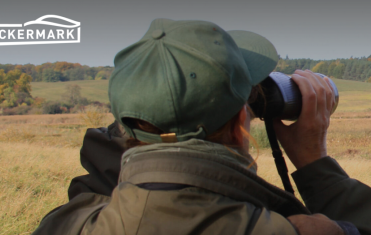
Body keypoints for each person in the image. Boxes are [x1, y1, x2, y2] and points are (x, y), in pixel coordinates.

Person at [32, 19, 370, 235]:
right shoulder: (303, 231)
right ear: (242, 122)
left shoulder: (69, 224)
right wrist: (316, 166)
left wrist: (151, 111)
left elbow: (96, 185)